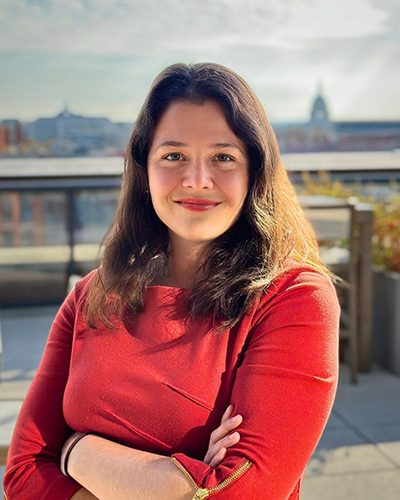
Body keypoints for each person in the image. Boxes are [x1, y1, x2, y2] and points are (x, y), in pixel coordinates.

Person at [4, 62, 340, 500]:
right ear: (144, 169)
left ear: (254, 171)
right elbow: (22, 473)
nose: (197, 180)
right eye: (174, 156)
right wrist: (177, 478)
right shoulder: (93, 293)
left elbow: (240, 494)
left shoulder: (295, 298)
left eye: (223, 157)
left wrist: (73, 450)